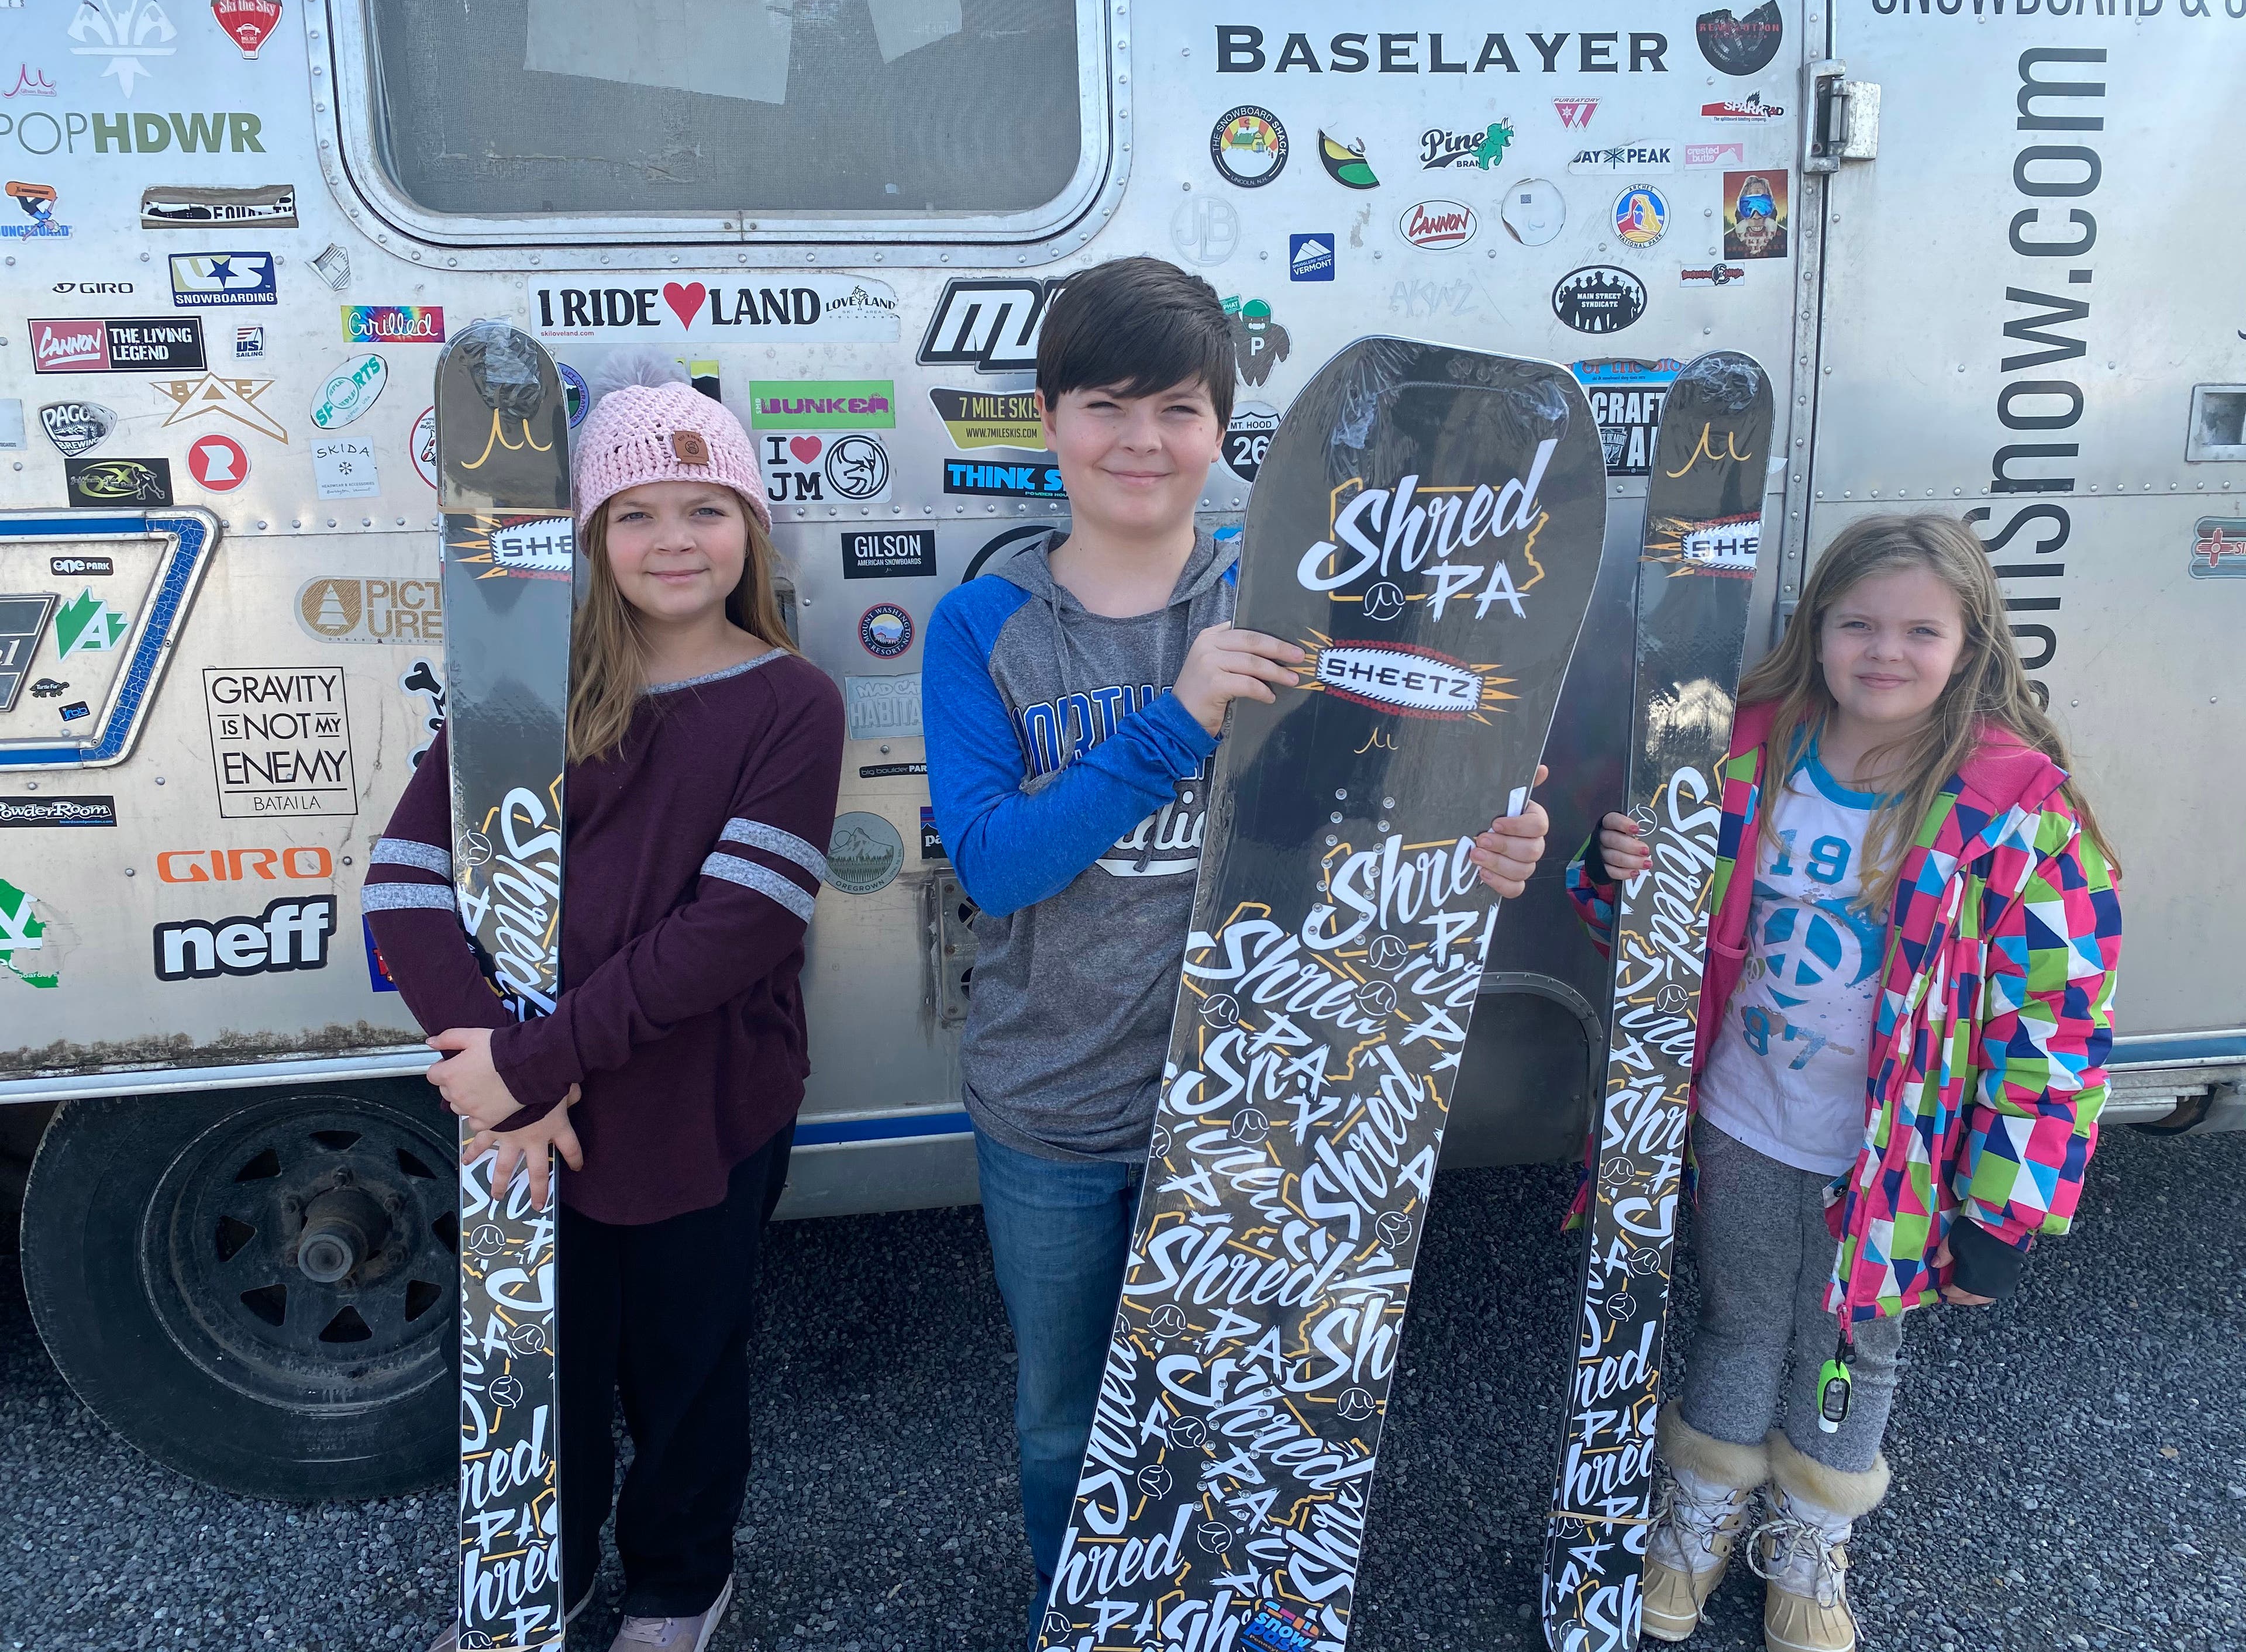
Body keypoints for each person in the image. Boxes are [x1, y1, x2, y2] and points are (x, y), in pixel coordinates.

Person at [921, 254, 1552, 1644]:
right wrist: (1175, 723)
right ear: (1048, 418)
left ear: (1221, 430)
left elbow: (1377, 824)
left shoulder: (1294, 604)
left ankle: (1232, 1604)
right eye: (1106, 405)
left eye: (1178, 409)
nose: (1141, 440)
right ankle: (1085, 1615)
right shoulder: (986, 625)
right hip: (1052, 1108)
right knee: (1067, 1416)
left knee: (1246, 1403)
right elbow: (997, 863)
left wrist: (1483, 853)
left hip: (1260, 1109)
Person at [1566, 514, 2121, 1652]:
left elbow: (2057, 1025)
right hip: (1743, 1114)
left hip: (1896, 1155)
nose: (1885, 651)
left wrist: (2005, 1210)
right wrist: (1609, 870)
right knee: (1739, 1321)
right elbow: (1649, 925)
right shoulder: (1744, 751)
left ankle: (1813, 1542)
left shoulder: (2019, 809)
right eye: (1858, 623)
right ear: (1815, 629)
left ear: (1970, 645)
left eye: (1920, 631)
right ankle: (1700, 1515)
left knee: (1850, 1345)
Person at [367, 354, 843, 1652]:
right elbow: (404, 886)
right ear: (592, 537)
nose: (673, 540)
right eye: (635, 513)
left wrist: (532, 1066)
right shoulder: (525, 692)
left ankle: (681, 1584)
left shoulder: (790, 700)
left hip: (701, 1099)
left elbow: (739, 927)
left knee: (687, 1367)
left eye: (706, 508)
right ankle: (549, 1574)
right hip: (532, 1117)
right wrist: (496, 1070)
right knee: (545, 1366)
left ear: (750, 529)